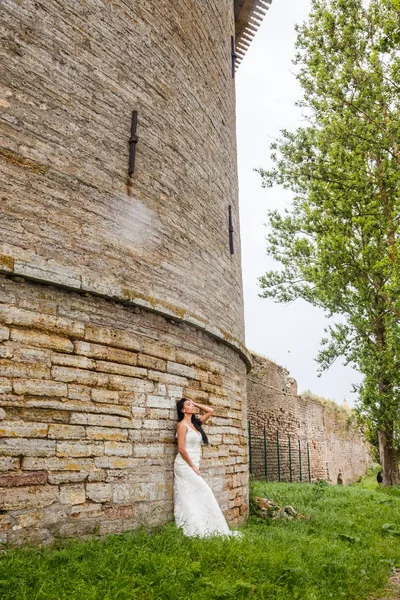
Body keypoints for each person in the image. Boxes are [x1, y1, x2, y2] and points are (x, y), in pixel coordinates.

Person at [174, 398, 239, 537]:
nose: (192, 406)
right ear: (183, 410)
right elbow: (181, 448)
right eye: (188, 405)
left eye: (192, 404)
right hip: (184, 464)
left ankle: (203, 524)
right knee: (204, 490)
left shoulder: (196, 424)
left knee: (195, 494)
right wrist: (192, 466)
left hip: (194, 463)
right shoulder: (182, 425)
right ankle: (192, 527)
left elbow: (210, 411)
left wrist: (195, 403)